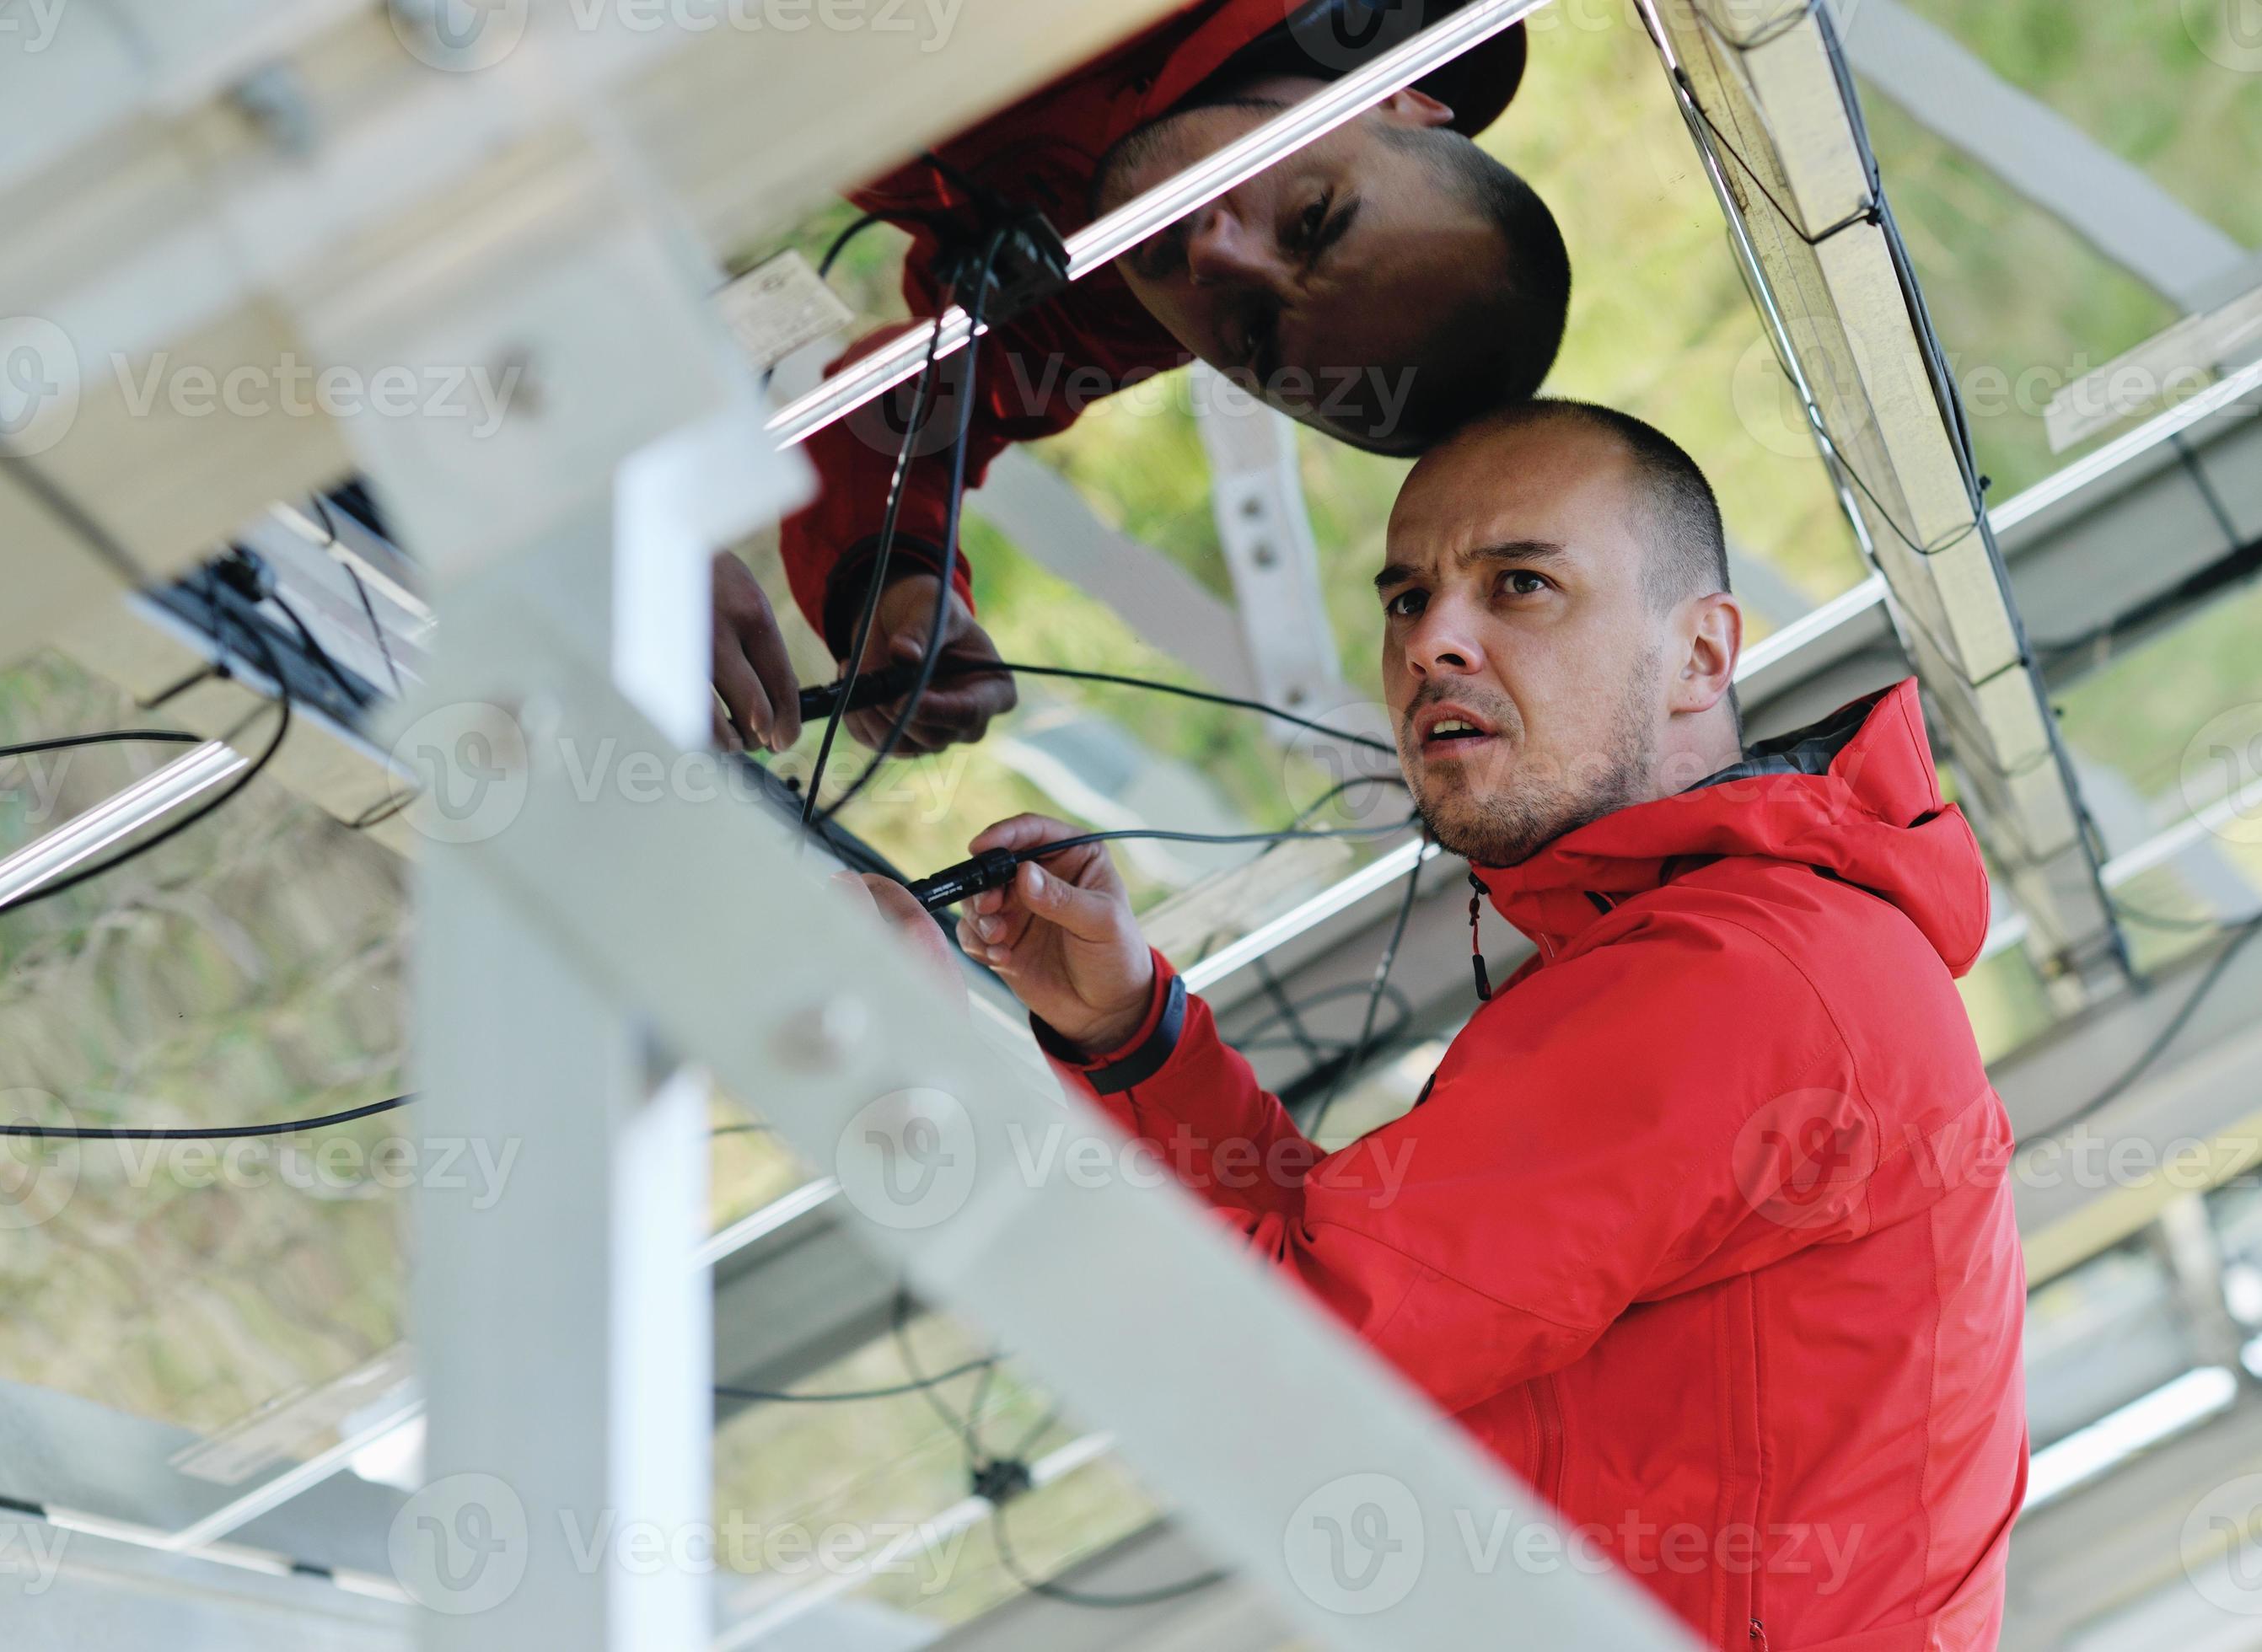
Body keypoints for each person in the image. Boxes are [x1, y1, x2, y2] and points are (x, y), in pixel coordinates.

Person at [856, 400, 2028, 1647]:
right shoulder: (1734, 944)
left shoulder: (1742, 979)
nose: (1433, 645)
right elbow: (1352, 1287)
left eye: (1520, 585)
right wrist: (1127, 1032)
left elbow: (1297, 1370)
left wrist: (907, 1064)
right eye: (1406, 599)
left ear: (1701, 654)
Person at [712, 0, 1571, 756]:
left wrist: (894, 591)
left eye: (1251, 336)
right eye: (1313, 219)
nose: (1216, 253)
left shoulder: (1121, 309)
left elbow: (914, 410)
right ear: (1401, 96)